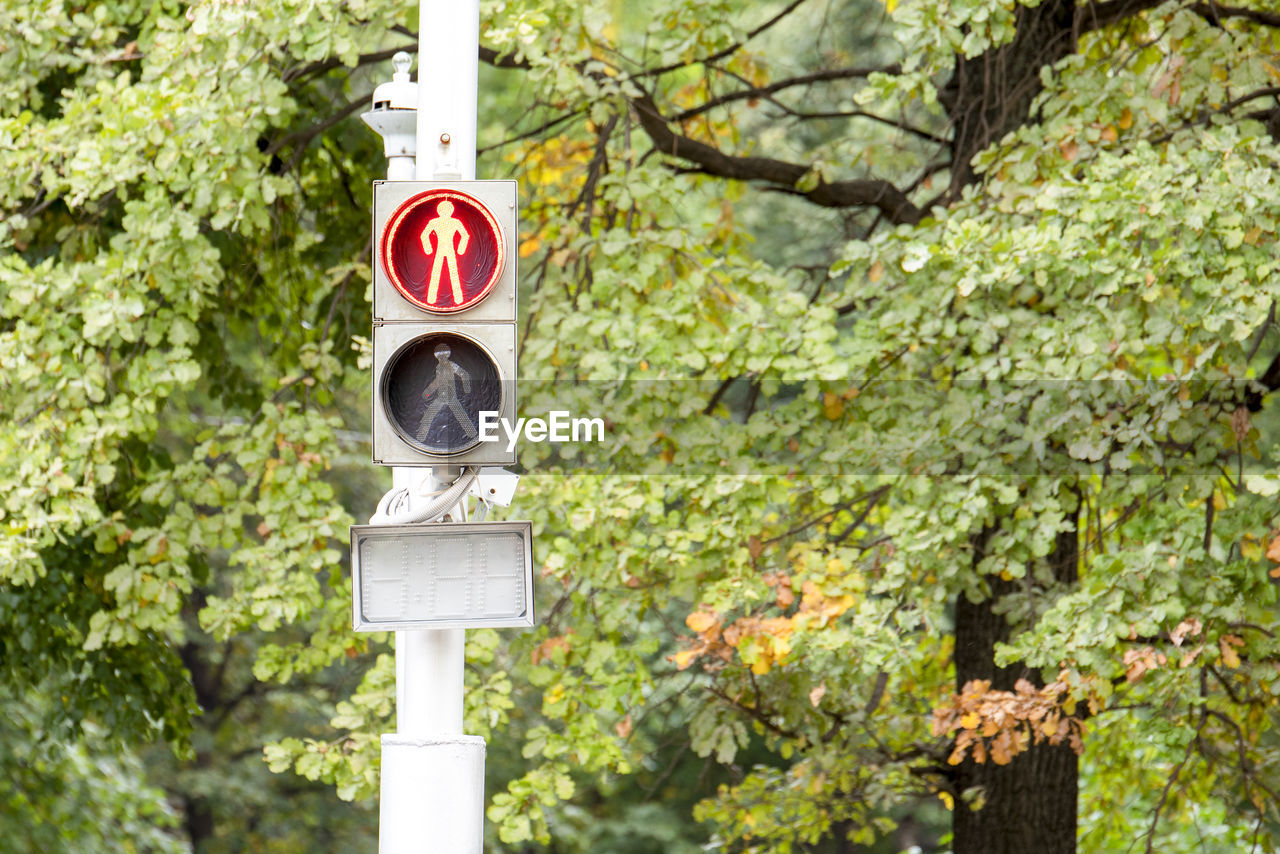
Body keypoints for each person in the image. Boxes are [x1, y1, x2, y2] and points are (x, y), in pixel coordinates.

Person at [417, 342, 476, 441]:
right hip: (442, 396)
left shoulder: (451, 365)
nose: (442, 359)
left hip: (450, 395)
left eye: (444, 356)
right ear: (437, 357)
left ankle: (473, 434)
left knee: (461, 416)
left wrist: (467, 388)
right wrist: (427, 392)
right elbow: (437, 382)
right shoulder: (439, 367)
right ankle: (420, 437)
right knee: (429, 414)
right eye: (440, 357)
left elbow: (464, 374)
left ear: (447, 355)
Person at [420, 200, 469, 305]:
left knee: (453, 272)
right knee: (437, 273)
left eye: (448, 210)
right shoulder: (434, 222)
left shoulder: (455, 222)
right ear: (439, 210)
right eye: (443, 210)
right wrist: (428, 248)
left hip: (449, 249)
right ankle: (431, 299)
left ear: (451, 210)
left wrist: (461, 249)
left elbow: (465, 235)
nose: (446, 212)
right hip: (440, 248)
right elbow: (424, 234)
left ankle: (458, 299)